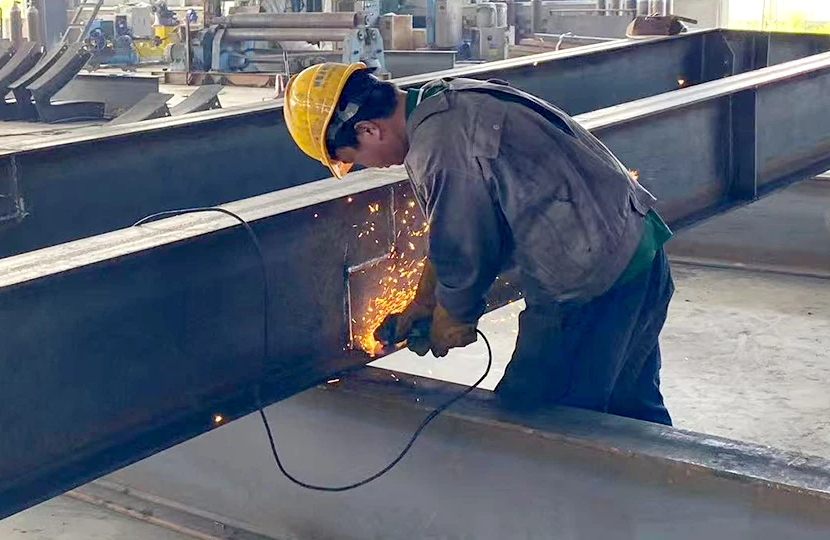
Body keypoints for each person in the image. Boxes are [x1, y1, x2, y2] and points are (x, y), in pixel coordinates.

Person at [282, 62, 675, 425]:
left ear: (368, 130)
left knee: (535, 417)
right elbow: (461, 221)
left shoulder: (439, 146)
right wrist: (424, 301)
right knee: (633, 410)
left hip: (593, 284)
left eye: (356, 157)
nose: (370, 166)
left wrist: (453, 316)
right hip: (640, 249)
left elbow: (464, 248)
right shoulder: (447, 97)